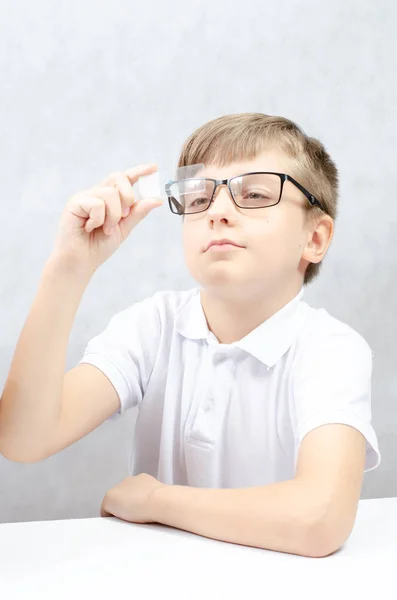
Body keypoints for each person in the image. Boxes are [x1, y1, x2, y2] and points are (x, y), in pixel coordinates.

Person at [0, 113, 380, 557]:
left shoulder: (330, 349)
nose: (217, 212)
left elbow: (320, 517)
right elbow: (23, 439)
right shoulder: (153, 326)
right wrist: (69, 269)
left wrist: (156, 501)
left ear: (315, 238)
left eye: (255, 193)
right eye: (198, 198)